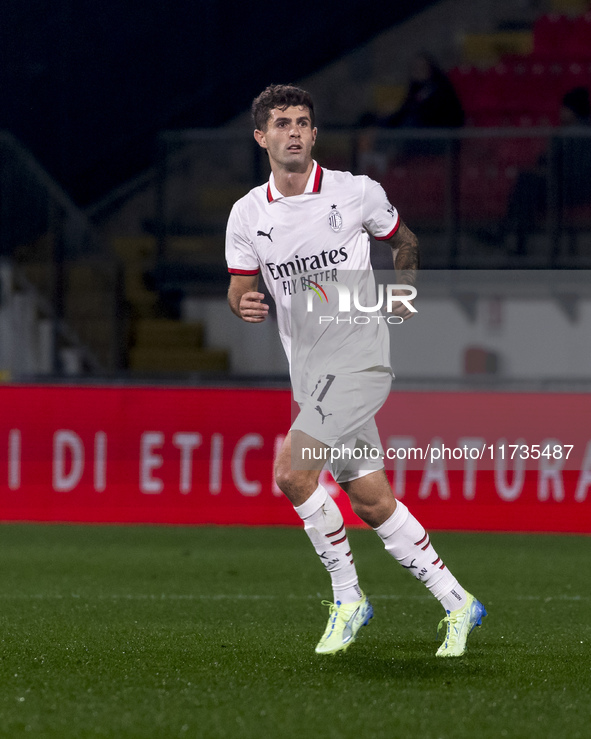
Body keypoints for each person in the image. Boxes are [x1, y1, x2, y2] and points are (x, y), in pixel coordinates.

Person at [225, 83, 485, 658]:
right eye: (281, 122)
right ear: (261, 136)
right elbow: (240, 286)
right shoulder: (246, 214)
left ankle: (348, 598)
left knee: (292, 473)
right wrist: (241, 303)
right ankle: (458, 600)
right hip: (310, 373)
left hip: (361, 358)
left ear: (314, 134)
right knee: (370, 500)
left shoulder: (355, 193)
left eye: (302, 122)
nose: (293, 131)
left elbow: (405, 241)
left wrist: (406, 294)